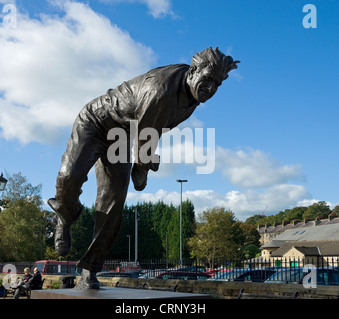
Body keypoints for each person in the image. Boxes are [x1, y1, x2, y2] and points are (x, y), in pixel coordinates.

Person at [48, 47, 239, 289]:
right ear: (193, 71)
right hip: (95, 123)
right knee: (70, 176)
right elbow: (147, 132)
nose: (211, 89)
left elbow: (155, 129)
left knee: (113, 201)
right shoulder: (161, 89)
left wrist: (143, 164)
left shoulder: (191, 99)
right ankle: (65, 216)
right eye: (208, 80)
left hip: (121, 137)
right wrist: (142, 169)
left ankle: (90, 269)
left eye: (217, 85)